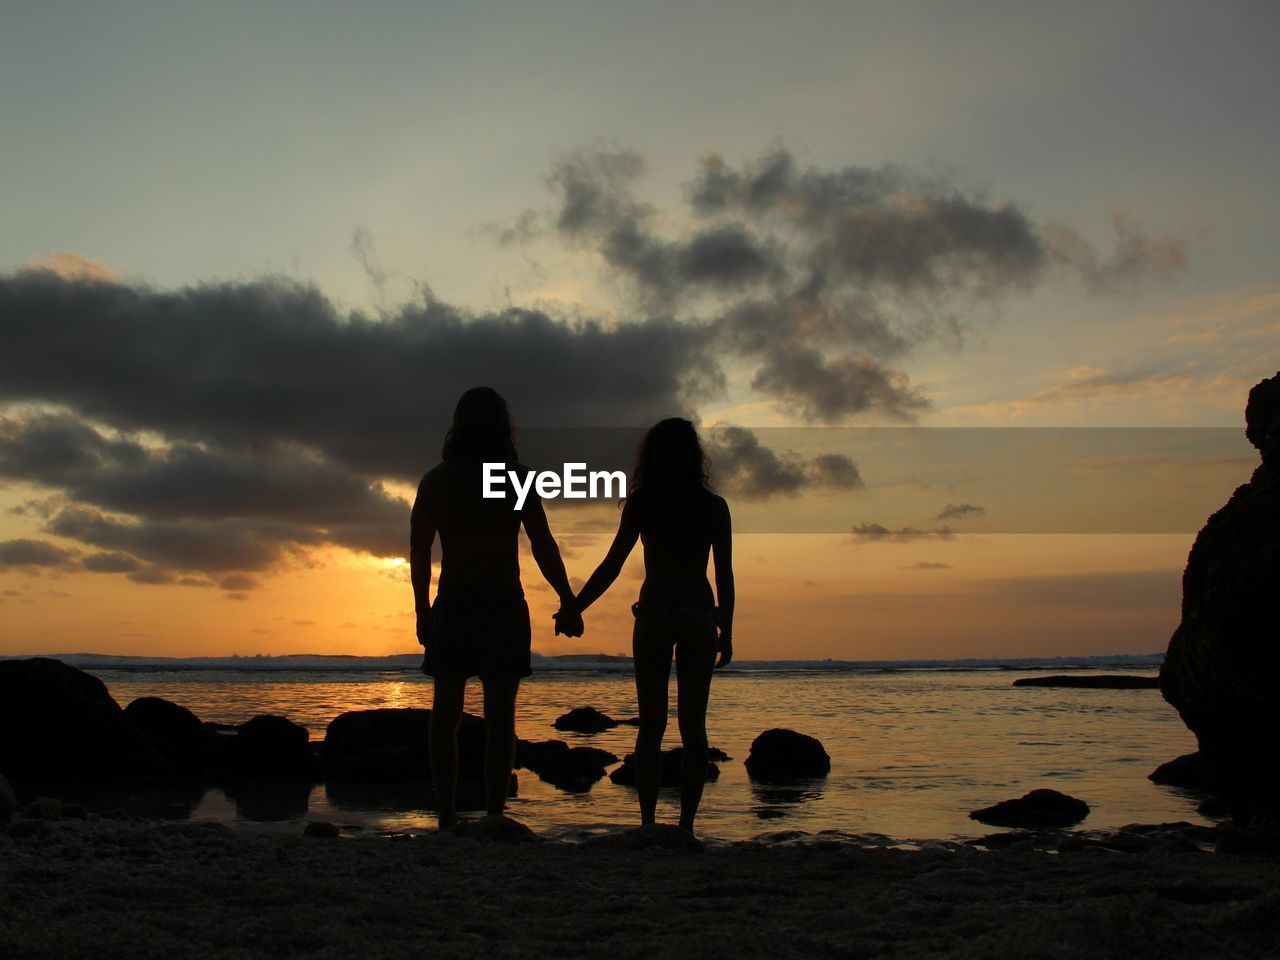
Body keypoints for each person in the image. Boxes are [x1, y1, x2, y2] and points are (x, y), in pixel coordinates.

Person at [409, 386, 582, 830]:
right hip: (503, 604)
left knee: (445, 714)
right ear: (503, 428)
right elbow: (542, 545)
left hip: (455, 602)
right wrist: (567, 598)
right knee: (500, 718)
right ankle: (493, 814)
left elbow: (419, 552)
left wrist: (422, 611)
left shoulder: (435, 481)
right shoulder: (516, 478)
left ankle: (447, 815)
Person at [573, 418, 734, 834]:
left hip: (656, 613)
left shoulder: (644, 503)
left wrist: (576, 605)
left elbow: (612, 563)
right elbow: (724, 574)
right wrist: (727, 631)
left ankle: (647, 823)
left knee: (652, 724)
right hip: (699, 614)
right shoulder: (713, 507)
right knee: (693, 727)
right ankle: (685, 827)